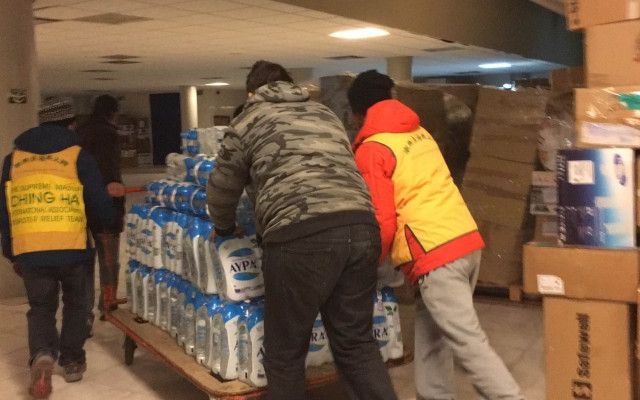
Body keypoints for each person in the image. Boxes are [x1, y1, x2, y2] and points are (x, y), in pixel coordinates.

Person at [206, 60, 397, 400]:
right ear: (291, 85)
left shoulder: (248, 119)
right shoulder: (325, 114)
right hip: (361, 226)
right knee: (356, 343)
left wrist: (223, 228)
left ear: (252, 92)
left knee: (285, 353)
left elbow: (222, 187)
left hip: (300, 236)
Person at [347, 70, 524, 400]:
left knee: (468, 343)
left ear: (358, 112)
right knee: (432, 341)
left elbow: (381, 220)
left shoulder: (373, 148)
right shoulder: (418, 133)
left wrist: (367, 267)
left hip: (435, 253)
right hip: (464, 241)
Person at [0, 98, 116, 398]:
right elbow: (97, 201)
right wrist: (107, 220)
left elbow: (5, 209)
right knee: (77, 304)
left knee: (40, 307)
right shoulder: (78, 156)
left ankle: (42, 356)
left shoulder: (14, 160)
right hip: (72, 247)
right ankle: (72, 361)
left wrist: (11, 250)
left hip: (30, 249)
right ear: (71, 124)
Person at [76, 95, 125, 326]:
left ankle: (84, 312)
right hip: (103, 202)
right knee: (108, 258)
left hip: (77, 202)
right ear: (113, 113)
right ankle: (107, 304)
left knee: (84, 261)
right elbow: (109, 166)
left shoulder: (79, 130)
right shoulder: (108, 133)